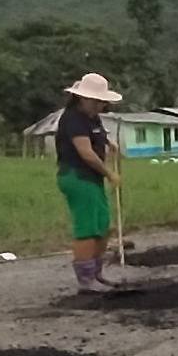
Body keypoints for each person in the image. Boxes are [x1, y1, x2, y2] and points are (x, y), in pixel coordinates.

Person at [55, 72, 123, 293]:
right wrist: (109, 173)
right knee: (87, 226)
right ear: (82, 98)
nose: (100, 105)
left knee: (102, 224)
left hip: (91, 178)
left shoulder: (92, 118)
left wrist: (109, 144)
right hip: (77, 177)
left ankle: (96, 273)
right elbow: (86, 153)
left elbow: (97, 135)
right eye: (96, 101)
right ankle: (86, 279)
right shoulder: (73, 119)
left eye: (102, 102)